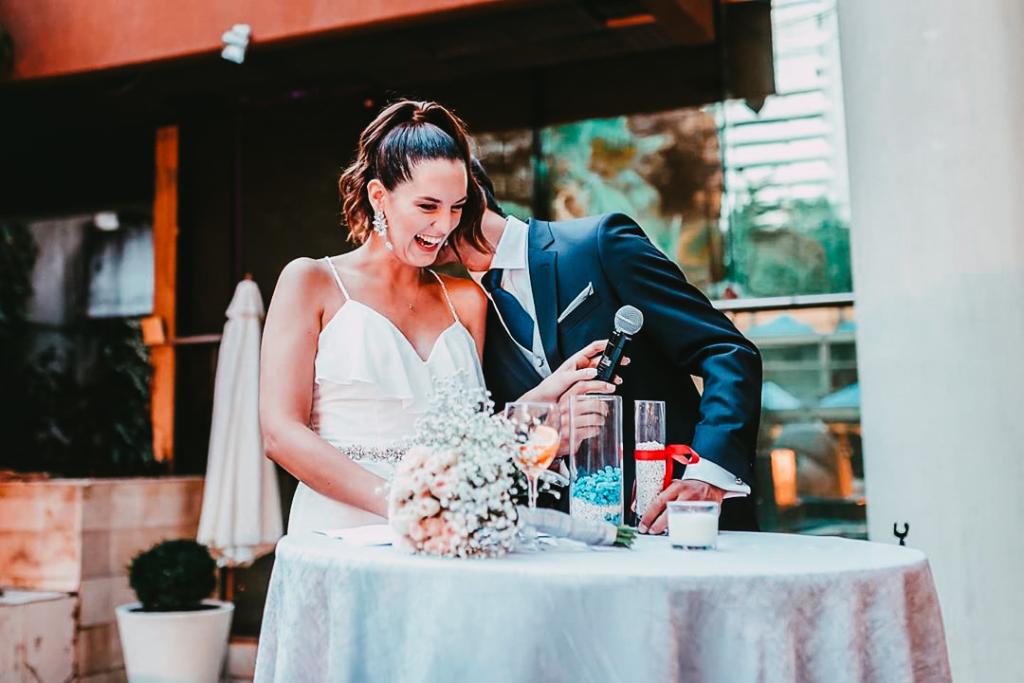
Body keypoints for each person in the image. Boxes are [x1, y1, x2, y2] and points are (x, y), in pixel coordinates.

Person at [258, 101, 613, 534]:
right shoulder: (310, 282)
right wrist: (408, 505)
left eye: (457, 207)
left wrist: (546, 394)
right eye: (428, 206)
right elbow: (280, 433)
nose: (444, 224)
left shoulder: (465, 300)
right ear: (378, 196)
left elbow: (472, 437)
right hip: (341, 529)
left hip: (447, 531)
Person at [451, 159, 763, 532]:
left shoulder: (598, 244)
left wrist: (706, 476)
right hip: (567, 547)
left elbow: (727, 351)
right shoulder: (461, 317)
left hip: (681, 520)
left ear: (464, 193)